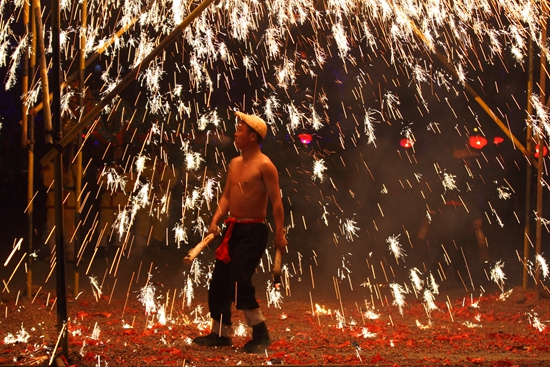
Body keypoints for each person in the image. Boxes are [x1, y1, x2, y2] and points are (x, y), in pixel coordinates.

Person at [193, 111, 287, 353]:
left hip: (253, 231)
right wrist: (215, 221)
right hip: (232, 229)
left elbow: (276, 202)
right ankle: (220, 334)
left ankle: (261, 333)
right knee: (219, 281)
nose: (235, 132)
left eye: (240, 129)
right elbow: (226, 197)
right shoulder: (235, 163)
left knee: (239, 280)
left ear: (253, 137)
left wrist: (280, 233)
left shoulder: (266, 165)